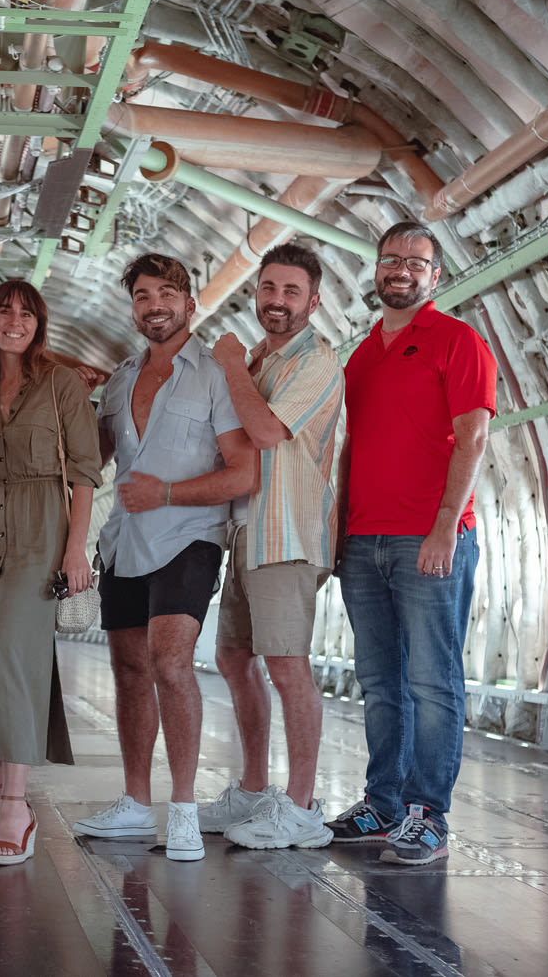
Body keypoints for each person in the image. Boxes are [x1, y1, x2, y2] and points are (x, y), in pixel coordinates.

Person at [73, 253, 255, 861]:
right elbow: (90, 458)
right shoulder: (121, 379)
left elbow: (242, 471)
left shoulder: (216, 374)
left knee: (170, 662)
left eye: (167, 294)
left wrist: (168, 493)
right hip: (125, 540)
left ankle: (181, 809)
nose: (155, 305)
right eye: (144, 295)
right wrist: (68, 398)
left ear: (190, 303)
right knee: (128, 670)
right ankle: (133, 803)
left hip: (189, 536)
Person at [330, 220, 497, 865]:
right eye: (389, 258)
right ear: (375, 270)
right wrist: (342, 528)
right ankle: (384, 802)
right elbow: (352, 448)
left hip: (426, 539)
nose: (399, 269)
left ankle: (429, 814)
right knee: (378, 681)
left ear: (435, 276)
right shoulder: (362, 356)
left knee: (432, 681)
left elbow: (473, 437)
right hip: (364, 541)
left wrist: (444, 524)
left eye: (415, 261)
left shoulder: (458, 342)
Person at [0, 280, 102, 867]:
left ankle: (18, 805)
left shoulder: (61, 385)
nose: (15, 321)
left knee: (13, 659)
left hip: (41, 536)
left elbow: (84, 471)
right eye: (5, 311)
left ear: (40, 323)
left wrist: (75, 548)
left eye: (27, 313)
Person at [202, 243, 342, 850]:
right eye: (268, 290)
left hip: (285, 534)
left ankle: (304, 809)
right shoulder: (262, 363)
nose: (276, 301)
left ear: (313, 301)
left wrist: (230, 361)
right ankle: (255, 790)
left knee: (287, 668)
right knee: (235, 660)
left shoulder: (317, 361)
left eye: (291, 292)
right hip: (245, 534)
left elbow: (263, 431)